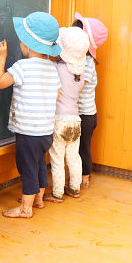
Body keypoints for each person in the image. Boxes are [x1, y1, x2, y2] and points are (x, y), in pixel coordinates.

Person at [0, 11, 62, 218]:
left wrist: (1, 58)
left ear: (29, 46)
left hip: (28, 131)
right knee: (40, 163)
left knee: (27, 169)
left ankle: (26, 208)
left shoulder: (22, 66)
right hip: (45, 131)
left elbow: (0, 82)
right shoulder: (52, 68)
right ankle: (38, 199)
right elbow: (57, 94)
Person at [44, 26, 90, 202]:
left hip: (59, 120)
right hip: (75, 120)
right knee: (73, 156)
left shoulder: (56, 68)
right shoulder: (82, 73)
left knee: (56, 158)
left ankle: (57, 193)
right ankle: (74, 187)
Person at [74, 12, 108, 189]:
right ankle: (77, 175)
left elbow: (79, 86)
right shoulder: (79, 59)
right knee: (76, 147)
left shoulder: (87, 61)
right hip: (77, 113)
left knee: (83, 147)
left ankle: (85, 176)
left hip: (86, 115)